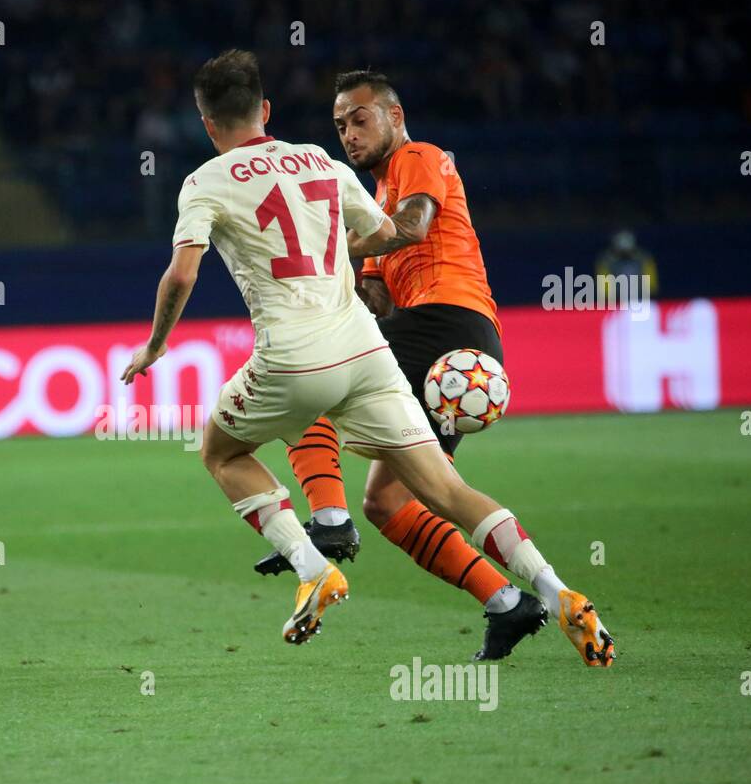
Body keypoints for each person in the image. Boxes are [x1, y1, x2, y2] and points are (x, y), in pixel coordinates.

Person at [120, 51, 615, 666]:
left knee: (222, 450)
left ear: (205, 123)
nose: (348, 135)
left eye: (359, 121)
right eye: (344, 124)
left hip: (315, 349)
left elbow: (180, 274)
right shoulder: (323, 164)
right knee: (437, 491)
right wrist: (336, 249)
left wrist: (157, 342)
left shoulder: (206, 182)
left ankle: (316, 554)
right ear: (266, 110)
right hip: (367, 347)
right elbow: (383, 234)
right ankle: (555, 592)